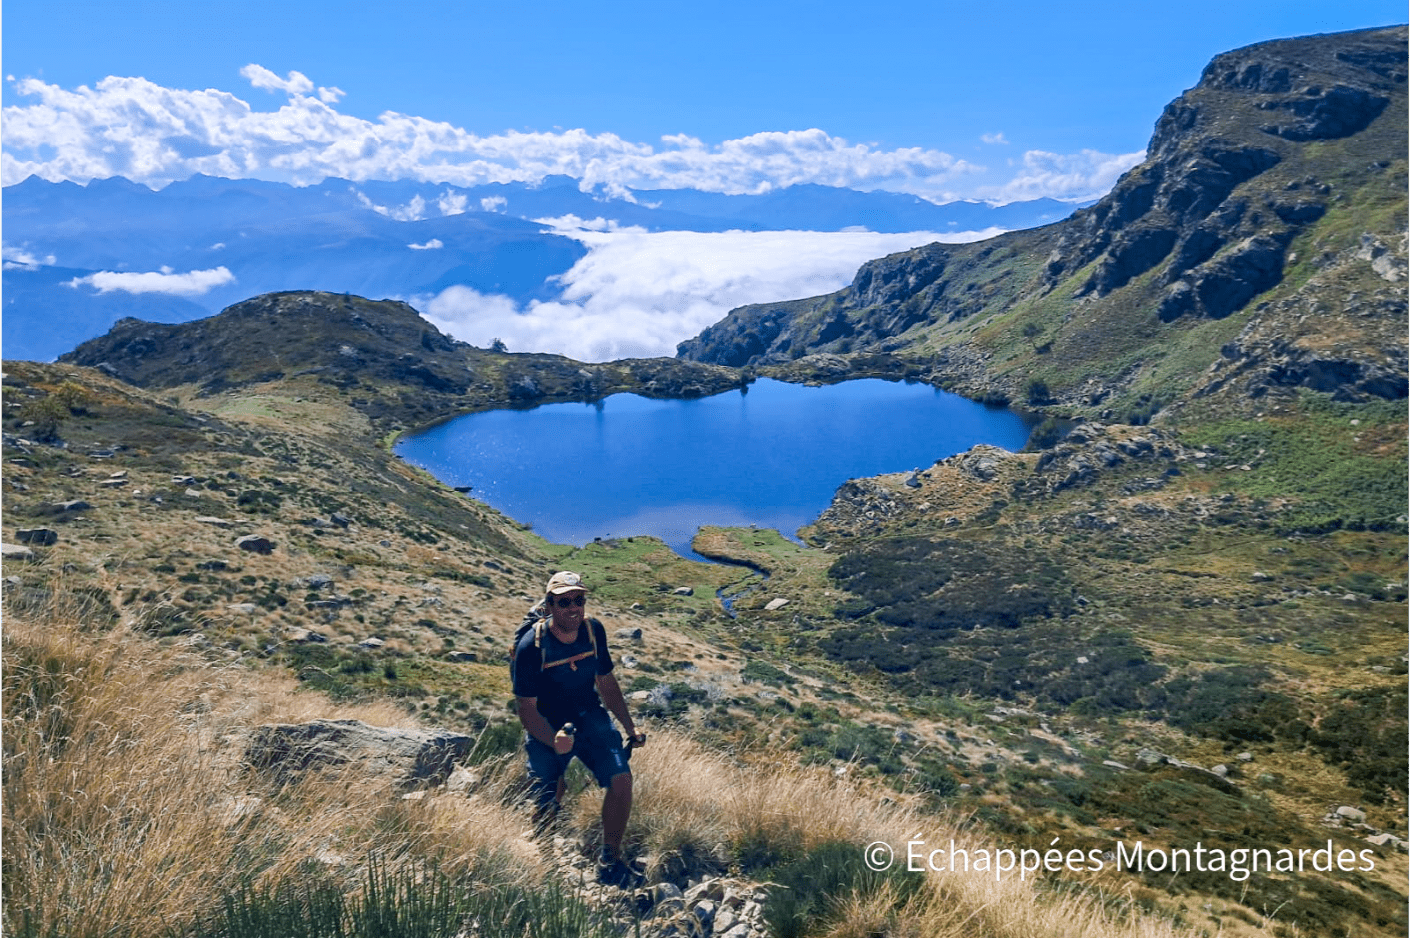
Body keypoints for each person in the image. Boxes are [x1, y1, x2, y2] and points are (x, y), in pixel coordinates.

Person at [512, 570, 646, 886]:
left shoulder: (592, 631)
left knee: (622, 780)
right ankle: (543, 857)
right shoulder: (531, 648)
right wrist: (552, 739)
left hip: (589, 715)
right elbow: (527, 711)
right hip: (547, 722)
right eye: (564, 602)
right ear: (550, 605)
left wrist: (629, 727)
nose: (573, 607)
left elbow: (607, 683)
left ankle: (610, 859)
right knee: (551, 791)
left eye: (579, 599)